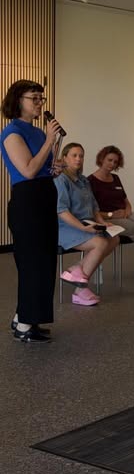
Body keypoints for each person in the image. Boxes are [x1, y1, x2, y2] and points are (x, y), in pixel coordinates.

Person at [1, 80, 63, 343]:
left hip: (45, 196)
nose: (40, 103)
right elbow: (27, 170)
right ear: (19, 100)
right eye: (34, 98)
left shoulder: (37, 132)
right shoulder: (12, 132)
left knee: (45, 261)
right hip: (27, 202)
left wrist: (54, 168)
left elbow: (41, 168)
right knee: (32, 263)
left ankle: (24, 317)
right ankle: (25, 326)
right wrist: (50, 140)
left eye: (41, 98)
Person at [55, 143, 118, 307]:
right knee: (100, 243)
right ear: (65, 158)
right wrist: (82, 227)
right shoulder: (61, 180)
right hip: (66, 227)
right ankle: (80, 291)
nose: (78, 159)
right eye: (74, 155)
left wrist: (103, 223)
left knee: (114, 238)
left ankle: (75, 269)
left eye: (81, 156)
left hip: (86, 223)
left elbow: (94, 207)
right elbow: (62, 211)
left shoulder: (83, 180)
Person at [89, 145, 134, 286]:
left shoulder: (115, 178)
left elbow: (126, 201)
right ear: (102, 159)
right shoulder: (90, 181)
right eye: (109, 160)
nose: (112, 164)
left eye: (115, 162)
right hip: (107, 220)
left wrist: (128, 209)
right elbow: (92, 212)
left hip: (124, 216)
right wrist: (111, 214)